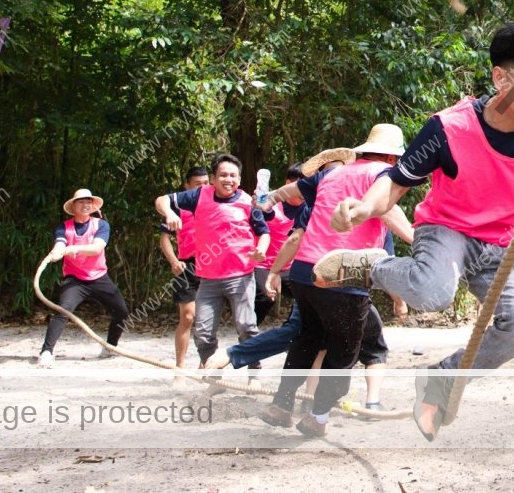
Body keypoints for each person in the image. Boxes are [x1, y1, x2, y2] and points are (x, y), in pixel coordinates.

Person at [321, 21, 514, 441]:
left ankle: (443, 379)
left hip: (505, 245)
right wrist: (365, 208)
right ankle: (373, 267)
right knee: (431, 293)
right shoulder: (449, 128)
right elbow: (397, 181)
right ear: (500, 77)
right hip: (448, 232)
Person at [257, 124, 413, 437]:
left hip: (302, 271)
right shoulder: (384, 175)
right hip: (341, 274)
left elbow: (294, 190)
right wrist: (417, 241)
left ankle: (282, 405)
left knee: (307, 338)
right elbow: (386, 211)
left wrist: (270, 198)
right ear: (391, 157)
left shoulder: (333, 174)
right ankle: (317, 416)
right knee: (344, 352)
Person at [154, 154, 269, 368]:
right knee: (203, 333)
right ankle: (213, 375)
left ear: (240, 179)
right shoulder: (199, 196)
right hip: (208, 278)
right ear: (214, 179)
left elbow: (264, 232)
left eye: (233, 175)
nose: (228, 180)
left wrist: (260, 250)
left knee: (246, 327)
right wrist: (170, 213)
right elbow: (162, 200)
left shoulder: (247, 202)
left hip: (240, 276)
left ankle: (255, 373)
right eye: (223, 175)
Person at [37, 189, 130, 368]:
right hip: (74, 279)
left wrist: (74, 249)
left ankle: (110, 346)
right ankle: (46, 352)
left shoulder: (101, 225)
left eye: (89, 201)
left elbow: (97, 248)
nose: (86, 204)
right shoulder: (63, 227)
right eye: (81, 201)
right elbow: (60, 244)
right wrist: (56, 252)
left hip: (99, 276)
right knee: (63, 310)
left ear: (93, 205)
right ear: (73, 206)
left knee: (122, 311)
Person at [157, 165, 209, 369]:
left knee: (206, 319)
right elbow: (164, 239)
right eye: (197, 185)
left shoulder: (214, 202)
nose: (202, 188)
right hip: (186, 265)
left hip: (212, 266)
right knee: (187, 316)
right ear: (186, 185)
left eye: (206, 184)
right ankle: (180, 367)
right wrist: (173, 261)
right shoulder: (176, 206)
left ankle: (204, 364)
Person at [253, 164, 304, 327]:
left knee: (310, 291)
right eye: (298, 186)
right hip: (264, 265)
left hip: (289, 266)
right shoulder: (273, 205)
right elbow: (263, 209)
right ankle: (248, 332)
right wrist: (261, 199)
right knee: (265, 298)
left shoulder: (309, 207)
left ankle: (293, 329)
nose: (302, 191)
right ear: (288, 184)